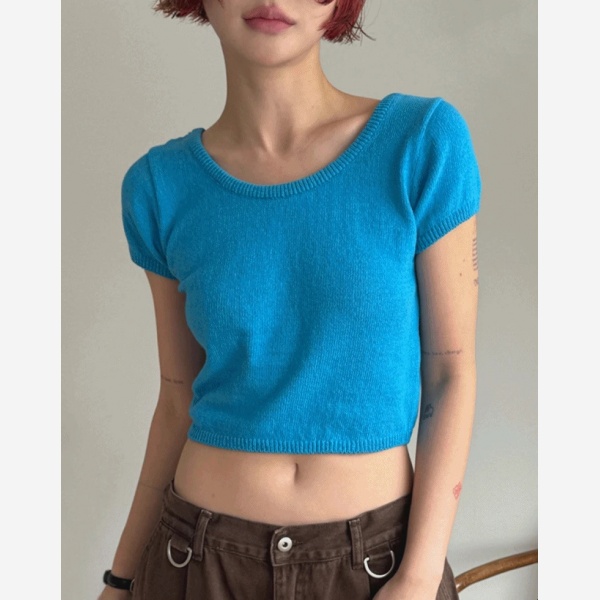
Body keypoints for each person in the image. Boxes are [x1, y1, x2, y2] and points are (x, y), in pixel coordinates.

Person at [99, 0, 481, 598]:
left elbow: (450, 375)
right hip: (194, 563)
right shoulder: (158, 186)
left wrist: (419, 575)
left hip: (378, 569)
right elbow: (177, 397)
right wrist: (120, 580)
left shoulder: (421, 143)